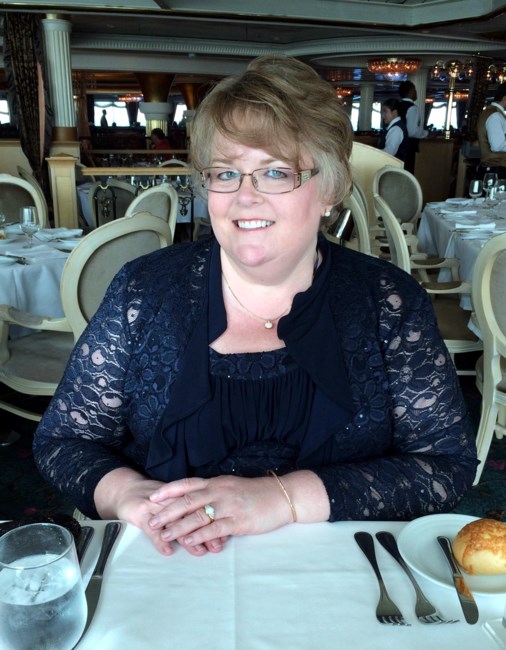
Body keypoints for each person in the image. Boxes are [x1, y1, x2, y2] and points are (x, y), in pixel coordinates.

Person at [33, 55, 477, 558]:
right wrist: (128, 494)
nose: (245, 196)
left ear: (330, 189)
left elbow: (445, 467)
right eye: (227, 172)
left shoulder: (387, 303)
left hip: (338, 572)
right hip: (172, 557)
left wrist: (282, 498)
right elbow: (64, 441)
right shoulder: (145, 290)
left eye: (275, 172)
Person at [398, 80, 428, 173]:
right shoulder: (412, 108)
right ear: (411, 92)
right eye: (415, 90)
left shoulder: (397, 106)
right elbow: (412, 131)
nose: (416, 93)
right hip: (407, 148)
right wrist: (426, 133)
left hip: (397, 146)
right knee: (407, 174)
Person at [476, 82, 506, 175]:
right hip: (497, 170)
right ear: (504, 98)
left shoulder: (492, 112)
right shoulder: (495, 115)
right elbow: (498, 146)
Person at [379, 98, 408, 163]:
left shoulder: (396, 129)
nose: (383, 115)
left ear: (394, 112)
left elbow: (388, 154)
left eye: (385, 111)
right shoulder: (396, 127)